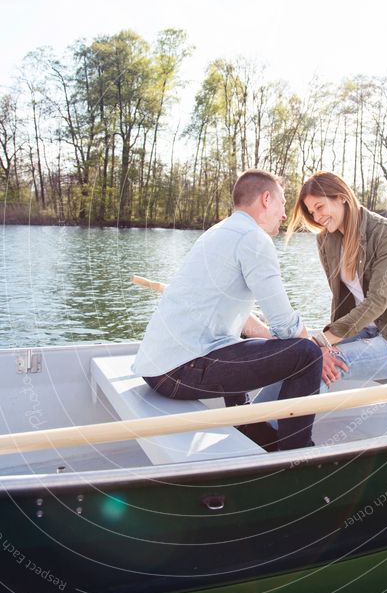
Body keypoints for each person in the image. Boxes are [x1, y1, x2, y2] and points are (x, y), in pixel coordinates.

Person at [132, 169, 345, 451]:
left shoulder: (218, 232)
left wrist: (275, 342)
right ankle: (295, 455)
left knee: (241, 340)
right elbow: (285, 323)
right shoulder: (253, 239)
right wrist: (316, 349)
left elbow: (247, 321)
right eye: (282, 203)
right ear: (266, 199)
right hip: (180, 372)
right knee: (305, 355)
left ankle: (248, 429)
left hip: (158, 369)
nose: (284, 214)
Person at [286, 171, 387, 386]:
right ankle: (255, 419)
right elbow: (341, 299)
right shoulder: (326, 239)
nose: (316, 217)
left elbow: (377, 302)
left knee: (323, 366)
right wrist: (324, 345)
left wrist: (324, 340)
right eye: (311, 212)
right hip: (365, 330)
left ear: (341, 197)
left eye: (319, 207)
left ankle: (294, 420)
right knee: (297, 360)